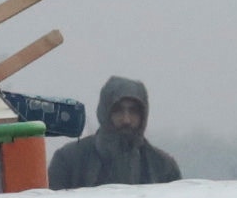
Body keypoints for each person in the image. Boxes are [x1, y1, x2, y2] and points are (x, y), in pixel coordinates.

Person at [47, 77, 182, 190]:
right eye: (118, 110)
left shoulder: (163, 168)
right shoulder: (69, 160)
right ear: (105, 112)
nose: (126, 120)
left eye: (133, 111)